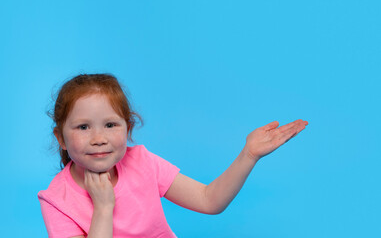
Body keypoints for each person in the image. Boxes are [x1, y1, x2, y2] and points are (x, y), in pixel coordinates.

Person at [38, 73, 308, 238]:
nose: (99, 138)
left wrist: (249, 154)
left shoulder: (142, 162)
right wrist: (104, 207)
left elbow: (209, 200)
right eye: (83, 127)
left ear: (128, 129)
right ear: (60, 138)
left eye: (110, 125)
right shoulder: (56, 200)